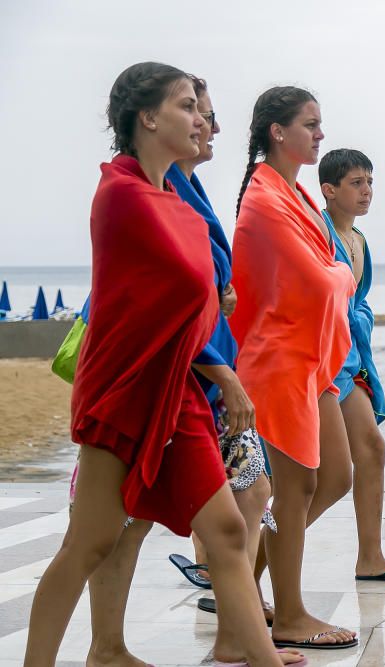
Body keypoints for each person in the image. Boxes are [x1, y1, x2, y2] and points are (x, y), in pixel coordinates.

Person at [24, 62, 282, 667]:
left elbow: (202, 297)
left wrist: (217, 348)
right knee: (88, 544)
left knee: (227, 531)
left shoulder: (178, 202)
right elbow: (178, 299)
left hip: (181, 394)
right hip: (124, 395)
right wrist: (225, 367)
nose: (202, 119)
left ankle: (260, 659)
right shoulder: (120, 195)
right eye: (189, 106)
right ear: (148, 117)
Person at [229, 87, 358, 649]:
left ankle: (236, 582)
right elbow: (323, 278)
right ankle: (289, 614)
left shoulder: (297, 194)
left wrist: (332, 271)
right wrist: (338, 272)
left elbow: (327, 271)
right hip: (276, 359)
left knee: (335, 476)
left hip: (312, 360)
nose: (321, 134)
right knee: (295, 487)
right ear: (278, 132)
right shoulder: (263, 196)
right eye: (311, 124)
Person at [318, 149, 385, 583]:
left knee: (373, 451)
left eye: (370, 182)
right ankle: (245, 568)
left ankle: (371, 557)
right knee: (320, 478)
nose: (366, 191)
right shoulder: (317, 231)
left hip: (351, 357)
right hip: (321, 360)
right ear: (329, 190)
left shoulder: (359, 241)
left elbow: (356, 301)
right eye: (356, 183)